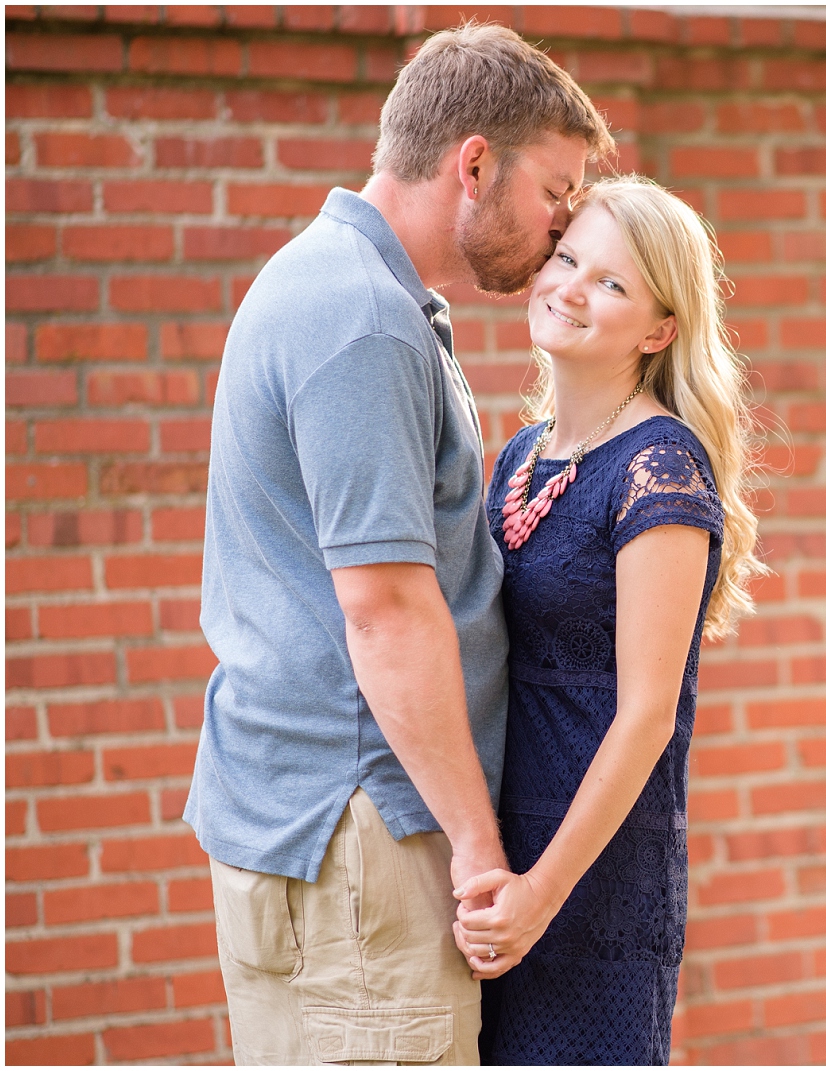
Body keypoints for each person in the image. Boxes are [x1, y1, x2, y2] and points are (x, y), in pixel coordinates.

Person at [185, 24, 613, 1064]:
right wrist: (478, 852)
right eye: (555, 191)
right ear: (474, 164)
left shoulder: (345, 289)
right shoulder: (362, 319)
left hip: (328, 831)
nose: (564, 227)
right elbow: (383, 610)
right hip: (365, 838)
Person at [452, 176, 764, 1064]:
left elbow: (646, 715)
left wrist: (540, 895)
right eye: (566, 257)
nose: (572, 288)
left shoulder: (659, 467)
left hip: (588, 889)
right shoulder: (520, 454)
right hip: (497, 864)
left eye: (614, 284)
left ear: (660, 330)